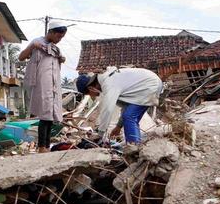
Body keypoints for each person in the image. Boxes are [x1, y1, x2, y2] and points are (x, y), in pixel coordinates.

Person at [75, 67, 162, 145]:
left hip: (149, 84)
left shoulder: (108, 83)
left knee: (129, 117)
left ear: (90, 88)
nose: (92, 96)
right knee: (130, 117)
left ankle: (134, 147)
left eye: (89, 94)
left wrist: (100, 134)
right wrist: (118, 127)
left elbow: (108, 109)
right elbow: (126, 107)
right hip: (150, 83)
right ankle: (135, 145)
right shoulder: (109, 80)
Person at [19, 21, 69, 153]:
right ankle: (41, 146)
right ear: (51, 32)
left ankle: (46, 146)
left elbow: (56, 61)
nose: (59, 40)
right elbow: (21, 57)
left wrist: (61, 58)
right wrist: (32, 47)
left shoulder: (54, 48)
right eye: (58, 36)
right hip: (42, 83)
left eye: (61, 38)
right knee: (45, 115)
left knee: (51, 115)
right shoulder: (37, 42)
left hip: (53, 84)